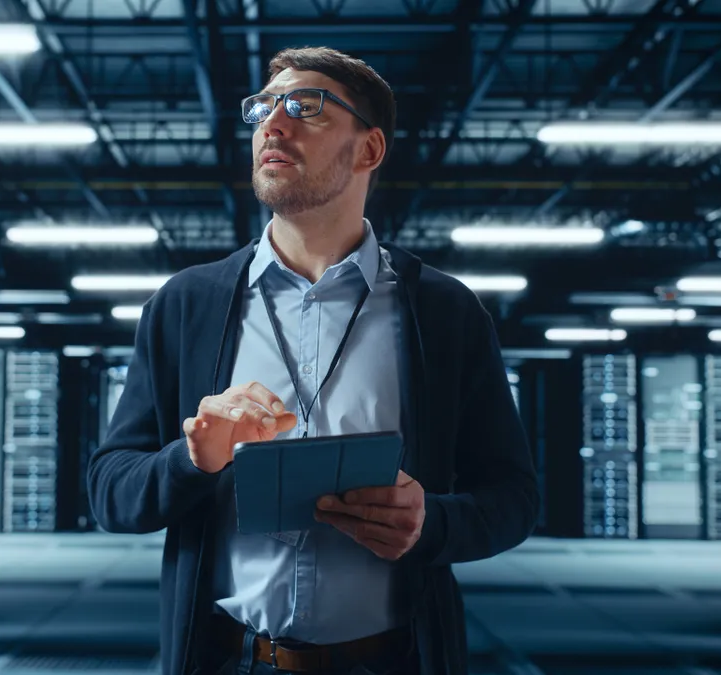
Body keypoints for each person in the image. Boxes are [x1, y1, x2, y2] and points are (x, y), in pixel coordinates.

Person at [88, 46, 539, 675]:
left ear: (368, 150)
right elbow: (111, 490)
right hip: (229, 660)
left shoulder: (444, 312)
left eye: (306, 108)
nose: (274, 124)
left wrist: (431, 522)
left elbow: (513, 498)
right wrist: (191, 458)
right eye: (265, 108)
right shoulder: (187, 304)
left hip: (392, 661)